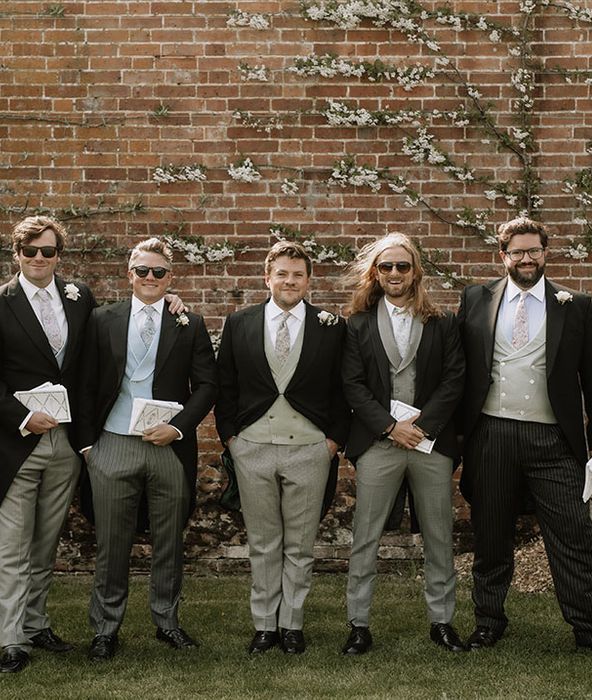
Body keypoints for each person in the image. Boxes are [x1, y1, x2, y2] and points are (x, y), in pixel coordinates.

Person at [457, 217, 592, 661]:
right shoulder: (476, 299)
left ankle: (591, 630)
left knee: (573, 536)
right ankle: (488, 623)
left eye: (534, 250)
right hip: (491, 433)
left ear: (545, 252)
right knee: (491, 535)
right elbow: (459, 372)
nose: (526, 258)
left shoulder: (576, 305)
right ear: (504, 256)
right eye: (517, 252)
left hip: (553, 440)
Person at [76, 237, 217, 661]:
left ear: (170, 277)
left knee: (170, 540)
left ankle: (167, 622)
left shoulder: (188, 323)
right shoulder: (102, 319)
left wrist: (177, 430)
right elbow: (84, 384)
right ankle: (105, 629)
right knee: (112, 542)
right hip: (112, 444)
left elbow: (207, 386)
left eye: (159, 272)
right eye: (142, 271)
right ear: (129, 274)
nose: (150, 278)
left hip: (168, 449)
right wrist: (87, 447)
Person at [215, 240, 350, 656]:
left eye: (298, 275)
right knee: (263, 541)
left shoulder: (332, 326)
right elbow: (226, 387)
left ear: (309, 280)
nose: (289, 282)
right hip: (252, 448)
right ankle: (264, 626)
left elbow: (345, 389)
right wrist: (232, 441)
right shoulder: (240, 322)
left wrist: (332, 443)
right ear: (267, 277)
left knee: (300, 544)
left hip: (310, 449)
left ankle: (292, 624)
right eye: (282, 274)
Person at [340, 232, 466, 655]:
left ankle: (443, 622)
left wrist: (422, 425)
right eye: (386, 266)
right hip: (379, 443)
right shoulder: (357, 324)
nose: (395, 273)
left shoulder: (442, 323)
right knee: (366, 535)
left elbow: (454, 380)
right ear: (375, 273)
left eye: (403, 266)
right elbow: (353, 386)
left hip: (431, 444)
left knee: (438, 535)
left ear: (416, 271)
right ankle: (358, 624)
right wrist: (391, 428)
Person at [0, 216, 96, 673]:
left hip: (65, 444)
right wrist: (22, 417)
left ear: (60, 255)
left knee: (45, 544)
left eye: (49, 251)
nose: (40, 259)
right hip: (15, 443)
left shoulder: (79, 298)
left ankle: (36, 623)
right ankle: (10, 637)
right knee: (12, 547)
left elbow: (105, 346)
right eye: (31, 251)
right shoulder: (2, 302)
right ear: (17, 254)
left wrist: (171, 303)